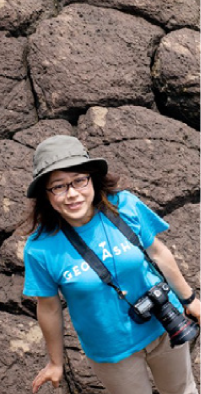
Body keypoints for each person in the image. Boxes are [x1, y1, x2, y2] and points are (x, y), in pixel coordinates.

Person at [22, 135, 201, 394]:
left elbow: (159, 252)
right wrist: (55, 362)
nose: (72, 194)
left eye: (79, 181)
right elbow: (48, 308)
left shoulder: (123, 205)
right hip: (111, 348)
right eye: (58, 186)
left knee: (183, 390)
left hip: (164, 323)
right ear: (46, 195)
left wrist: (190, 300)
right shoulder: (40, 248)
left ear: (92, 179)